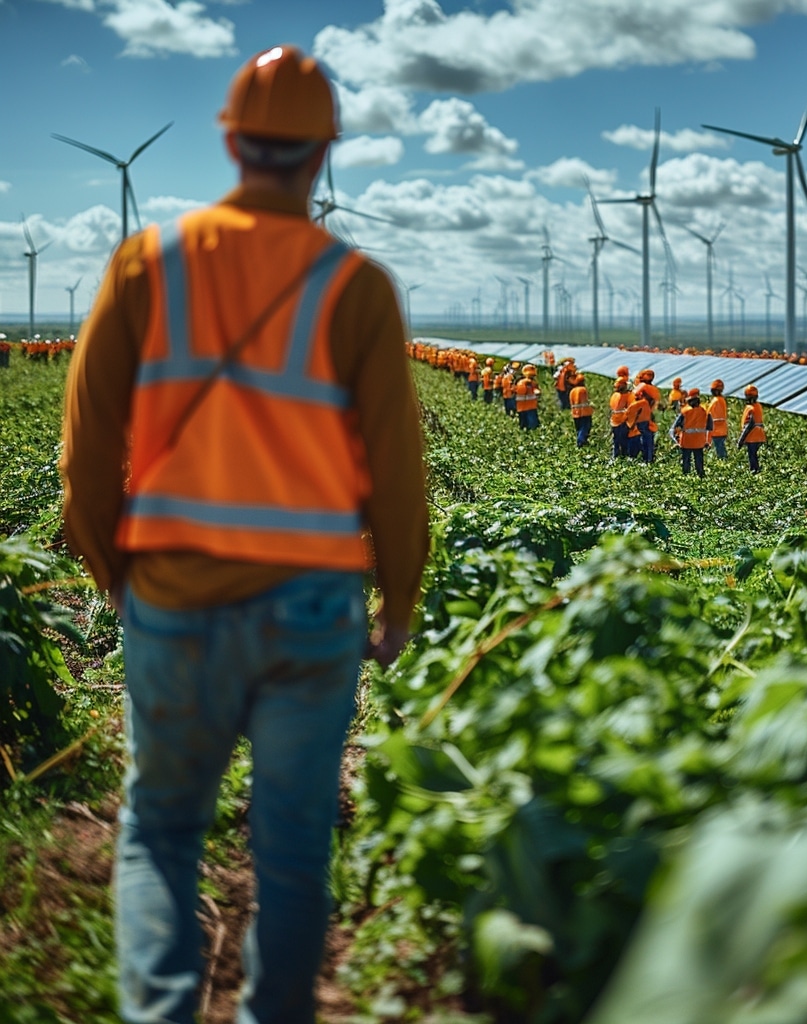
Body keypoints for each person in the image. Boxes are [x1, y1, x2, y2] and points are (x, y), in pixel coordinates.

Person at [59, 45, 429, 1024]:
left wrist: (113, 573)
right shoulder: (356, 289)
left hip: (175, 597)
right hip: (311, 606)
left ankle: (162, 1011)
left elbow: (86, 448)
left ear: (230, 140)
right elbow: (395, 470)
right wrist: (398, 599)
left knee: (161, 832)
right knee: (296, 847)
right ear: (322, 156)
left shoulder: (149, 263)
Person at [671, 388, 713, 477]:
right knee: (699, 461)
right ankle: (701, 476)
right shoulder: (705, 412)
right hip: (699, 442)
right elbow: (710, 427)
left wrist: (676, 439)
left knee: (686, 461)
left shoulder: (685, 412)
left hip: (686, 442)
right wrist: (707, 442)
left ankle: (686, 476)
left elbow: (676, 426)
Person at [737, 384, 766, 473]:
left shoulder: (750, 408)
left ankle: (754, 470)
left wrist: (740, 441)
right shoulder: (758, 406)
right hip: (760, 435)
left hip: (752, 436)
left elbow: (748, 426)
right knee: (754, 455)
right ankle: (756, 470)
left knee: (752, 455)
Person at [609, 376, 632, 459]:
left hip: (614, 421)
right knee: (624, 441)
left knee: (616, 440)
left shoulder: (614, 395)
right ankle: (623, 456)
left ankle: (615, 456)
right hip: (622, 421)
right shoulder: (626, 396)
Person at [569, 373, 593, 447]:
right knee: (585, 428)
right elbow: (585, 401)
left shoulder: (572, 391)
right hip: (584, 413)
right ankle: (581, 442)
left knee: (579, 429)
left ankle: (582, 442)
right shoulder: (583, 390)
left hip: (575, 414)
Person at [707, 379, 729, 459]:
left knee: (720, 451)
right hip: (718, 430)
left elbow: (717, 418)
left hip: (717, 431)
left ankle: (724, 463)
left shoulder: (718, 401)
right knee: (719, 449)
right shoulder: (719, 400)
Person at [516, 363, 541, 429]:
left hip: (528, 407)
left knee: (526, 426)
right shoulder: (522, 383)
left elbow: (536, 391)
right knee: (531, 426)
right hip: (527, 408)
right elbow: (521, 392)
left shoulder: (532, 383)